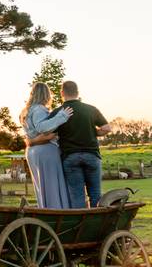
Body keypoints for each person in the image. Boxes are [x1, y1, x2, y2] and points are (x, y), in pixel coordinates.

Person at [53, 80, 111, 208]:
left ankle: (80, 226)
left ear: (62, 93)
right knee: (95, 194)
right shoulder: (90, 109)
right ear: (78, 92)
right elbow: (107, 128)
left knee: (77, 196)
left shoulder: (59, 111)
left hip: (70, 157)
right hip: (92, 155)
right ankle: (97, 224)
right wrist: (93, 132)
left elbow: (48, 133)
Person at [20, 82, 73, 209]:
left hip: (33, 151)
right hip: (45, 151)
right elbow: (42, 127)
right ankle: (57, 210)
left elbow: (31, 135)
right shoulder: (39, 109)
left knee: (42, 185)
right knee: (52, 184)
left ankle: (46, 208)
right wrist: (62, 116)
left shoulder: (26, 111)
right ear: (46, 94)